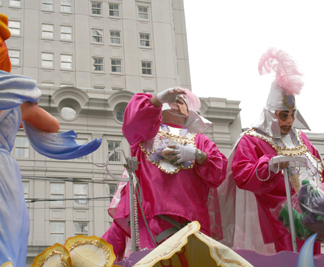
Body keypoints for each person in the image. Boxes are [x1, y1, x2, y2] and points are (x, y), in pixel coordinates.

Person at [227, 48, 324, 257]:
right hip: (279, 212)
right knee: (297, 256)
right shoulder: (252, 139)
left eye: (292, 115)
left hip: (318, 202)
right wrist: (271, 165)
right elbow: (242, 174)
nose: (289, 121)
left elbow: (318, 173)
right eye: (283, 115)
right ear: (271, 114)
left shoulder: (301, 139)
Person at [0, 13, 101, 266]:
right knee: (8, 235)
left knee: (7, 234)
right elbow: (52, 124)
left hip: (5, 175)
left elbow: (52, 124)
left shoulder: (14, 98)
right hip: (4, 173)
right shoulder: (17, 100)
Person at [103, 87, 227, 258]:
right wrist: (157, 99)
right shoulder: (146, 134)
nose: (175, 101)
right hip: (152, 217)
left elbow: (218, 173)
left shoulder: (200, 140)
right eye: (172, 98)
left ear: (189, 111)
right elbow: (132, 120)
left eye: (181, 100)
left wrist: (198, 155)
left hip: (193, 222)